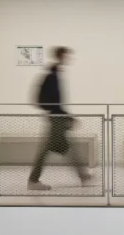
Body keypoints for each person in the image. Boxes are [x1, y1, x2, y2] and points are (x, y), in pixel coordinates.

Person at [28, 46, 92, 191]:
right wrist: (67, 116)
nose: (69, 58)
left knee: (67, 147)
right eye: (67, 56)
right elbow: (54, 102)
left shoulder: (55, 73)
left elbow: (56, 102)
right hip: (56, 118)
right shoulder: (52, 75)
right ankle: (33, 180)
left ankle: (83, 175)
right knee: (48, 150)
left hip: (57, 117)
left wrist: (66, 116)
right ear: (61, 56)